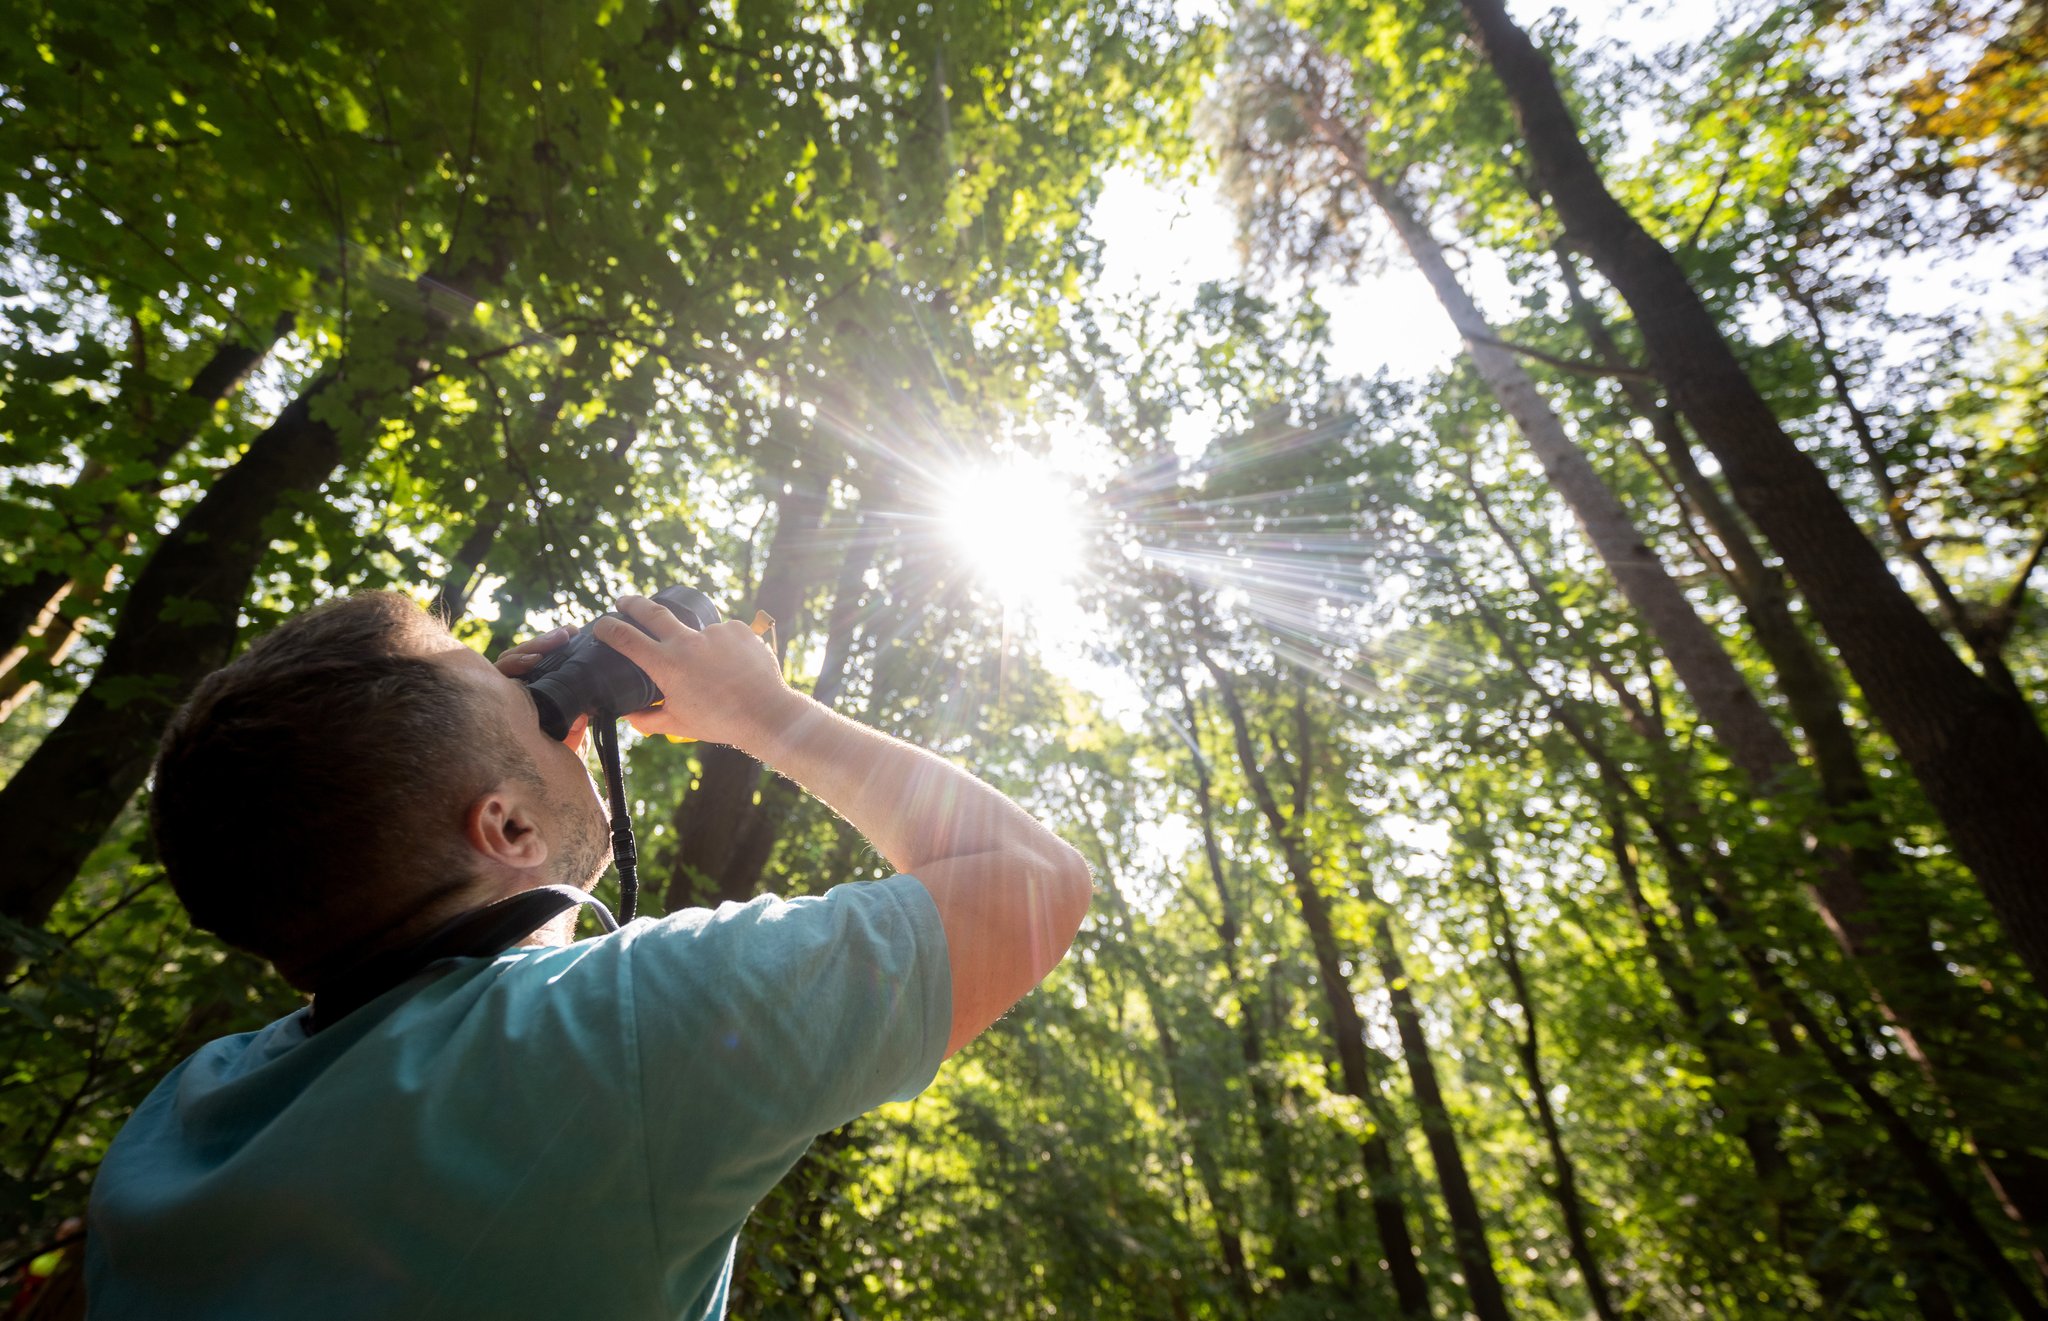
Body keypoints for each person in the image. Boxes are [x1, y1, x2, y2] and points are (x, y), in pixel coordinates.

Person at [84, 591, 1093, 1319]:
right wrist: (760, 711)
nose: (553, 709)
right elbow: (1031, 884)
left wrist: (484, 715)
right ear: (509, 830)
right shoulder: (607, 1036)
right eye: (525, 705)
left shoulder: (185, 1111)